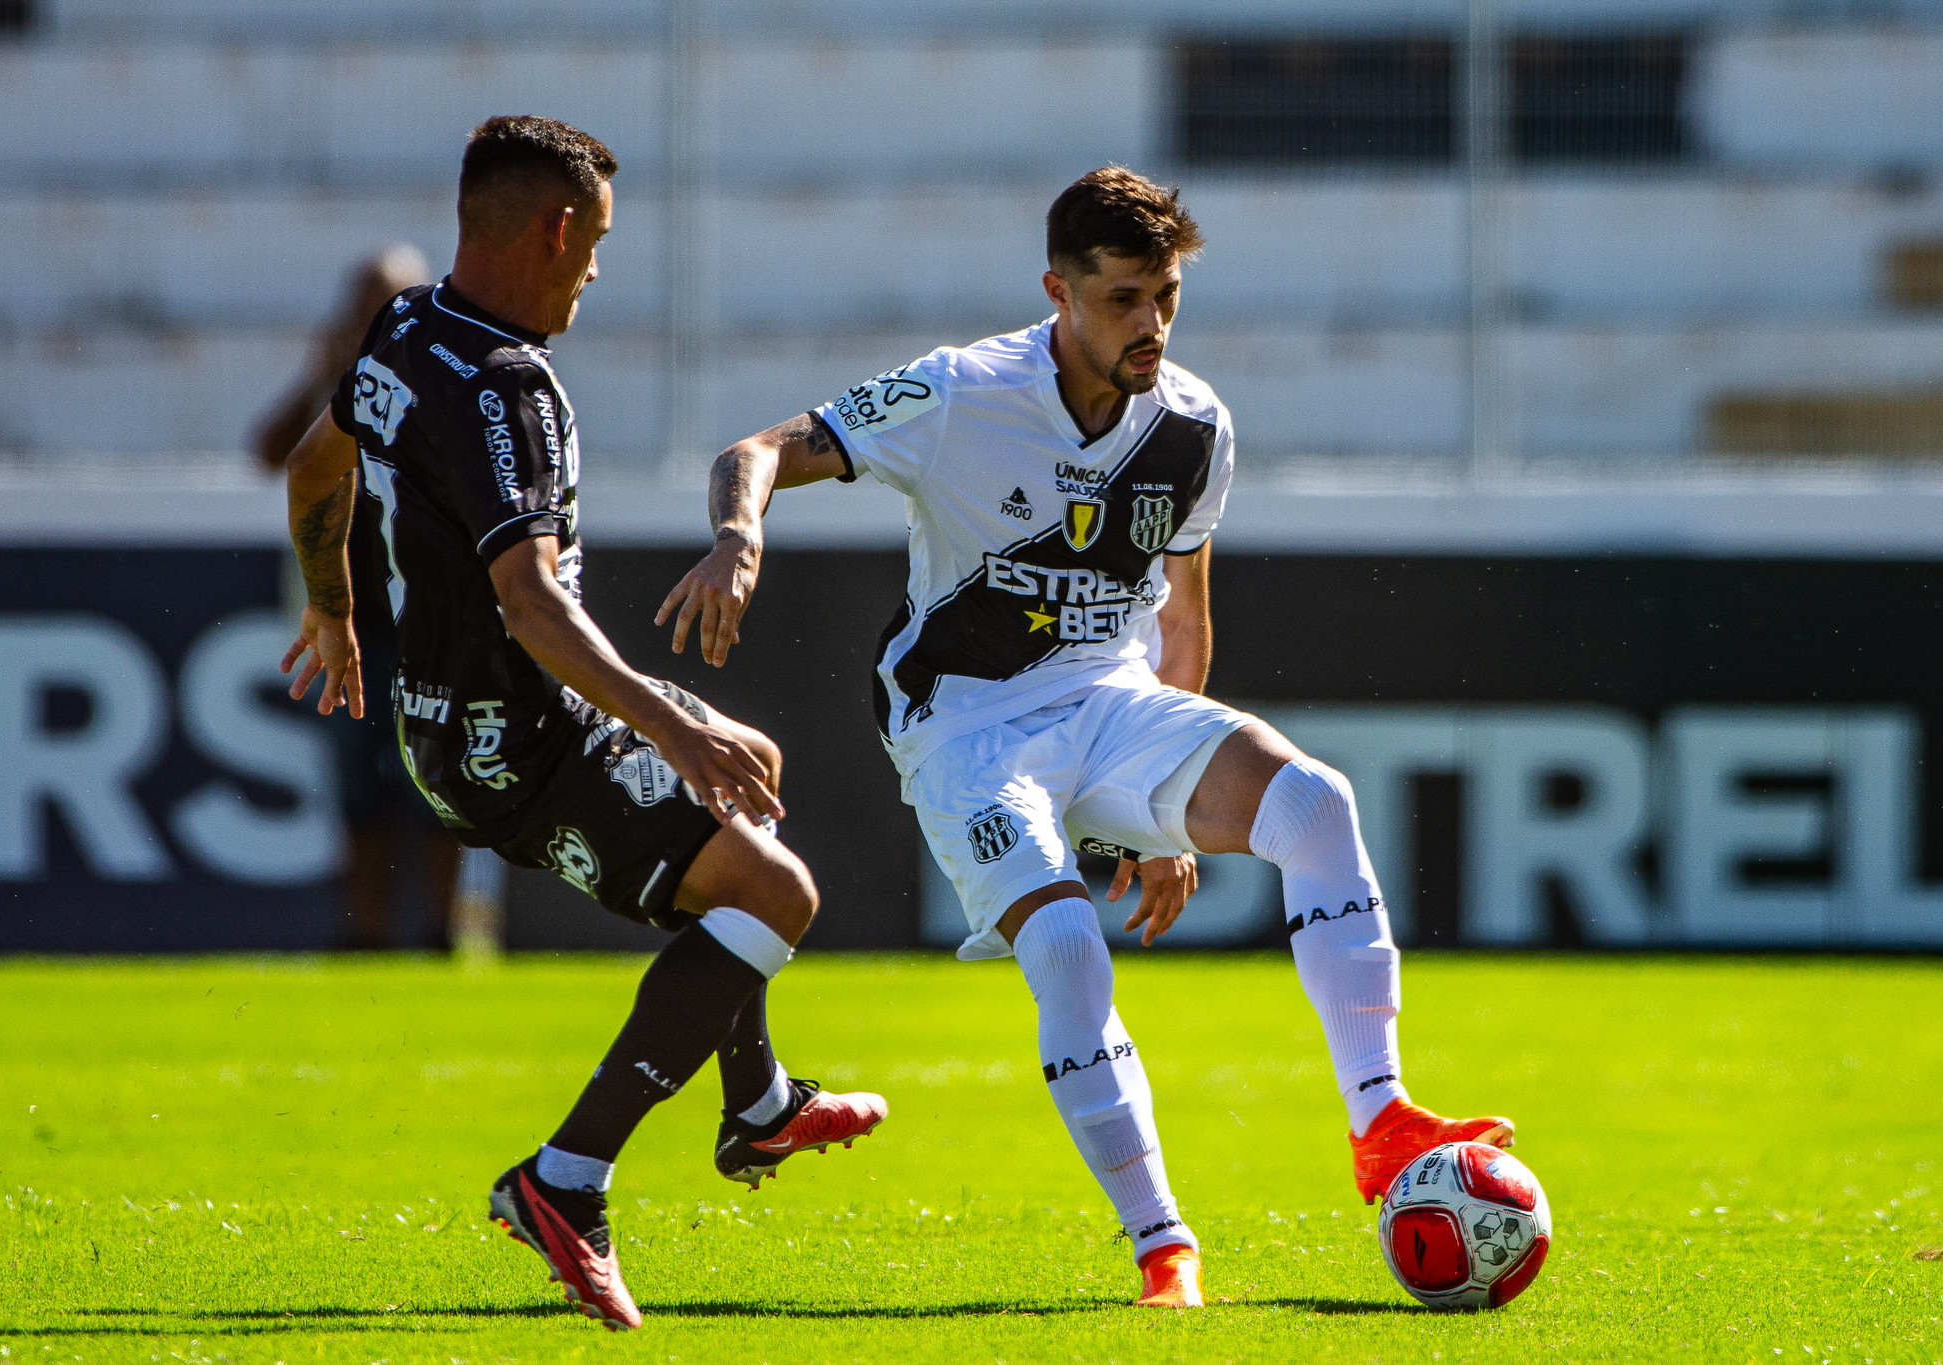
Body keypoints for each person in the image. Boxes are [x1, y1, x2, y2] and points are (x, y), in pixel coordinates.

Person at [659, 166, 1515, 1310]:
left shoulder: (1193, 424)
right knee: (1065, 947)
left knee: (1314, 803)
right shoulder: (960, 391)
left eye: (1164, 296)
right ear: (1057, 292)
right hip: (965, 724)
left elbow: (1186, 610)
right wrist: (735, 538)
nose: (1149, 325)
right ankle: (1163, 1245)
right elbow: (758, 450)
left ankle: (1379, 1121)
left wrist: (1165, 833)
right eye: (1121, 300)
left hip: (1111, 701)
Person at [278, 115, 886, 1332]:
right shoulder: (512, 387)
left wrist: (334, 613)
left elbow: (312, 469)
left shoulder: (407, 327)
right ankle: (565, 1182)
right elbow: (530, 601)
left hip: (451, 724)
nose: (598, 270)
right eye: (596, 240)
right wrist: (670, 719)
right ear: (557, 229)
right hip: (515, 744)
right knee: (777, 893)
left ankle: (756, 1097)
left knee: (746, 801)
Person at [252, 244, 463, 950]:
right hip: (352, 617)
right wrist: (321, 375)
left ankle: (443, 929)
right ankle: (365, 931)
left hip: (427, 612)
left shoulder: (441, 370)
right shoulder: (340, 380)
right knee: (357, 782)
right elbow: (273, 452)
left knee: (438, 779)